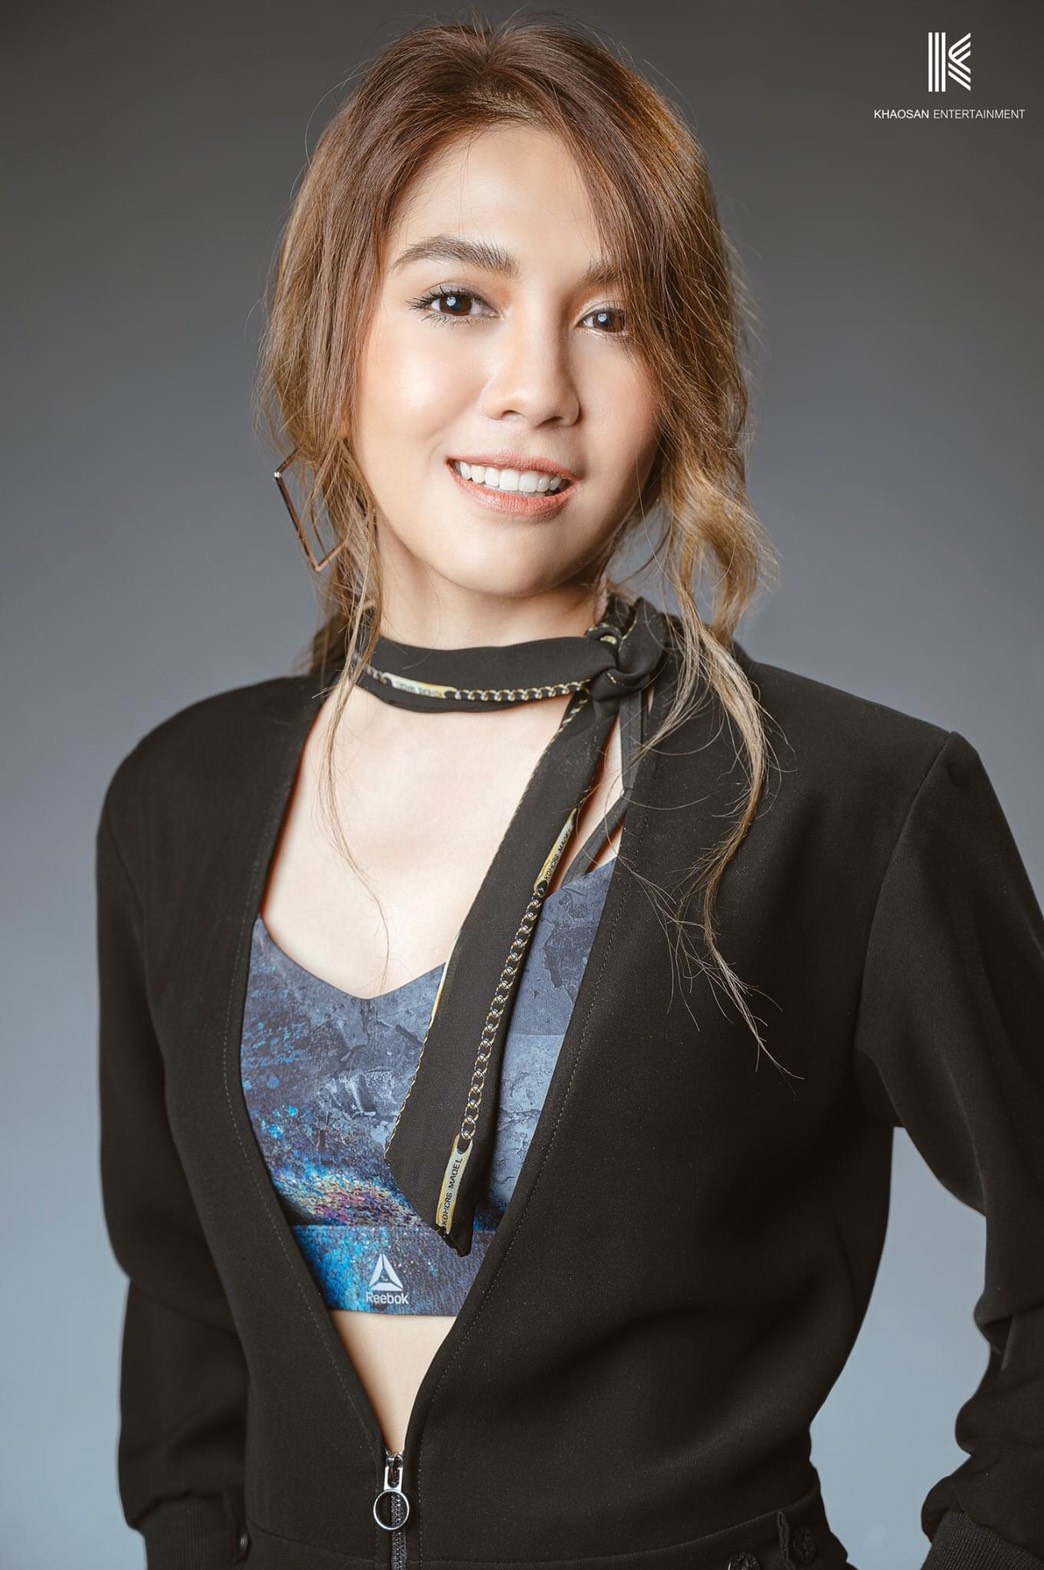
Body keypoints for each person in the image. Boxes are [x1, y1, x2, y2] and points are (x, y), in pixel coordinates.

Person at [95, 15, 1044, 1570]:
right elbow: (183, 1302)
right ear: (338, 338)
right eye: (458, 299)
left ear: (681, 374)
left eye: (612, 317)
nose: (535, 385)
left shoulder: (854, 807)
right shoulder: (176, 806)